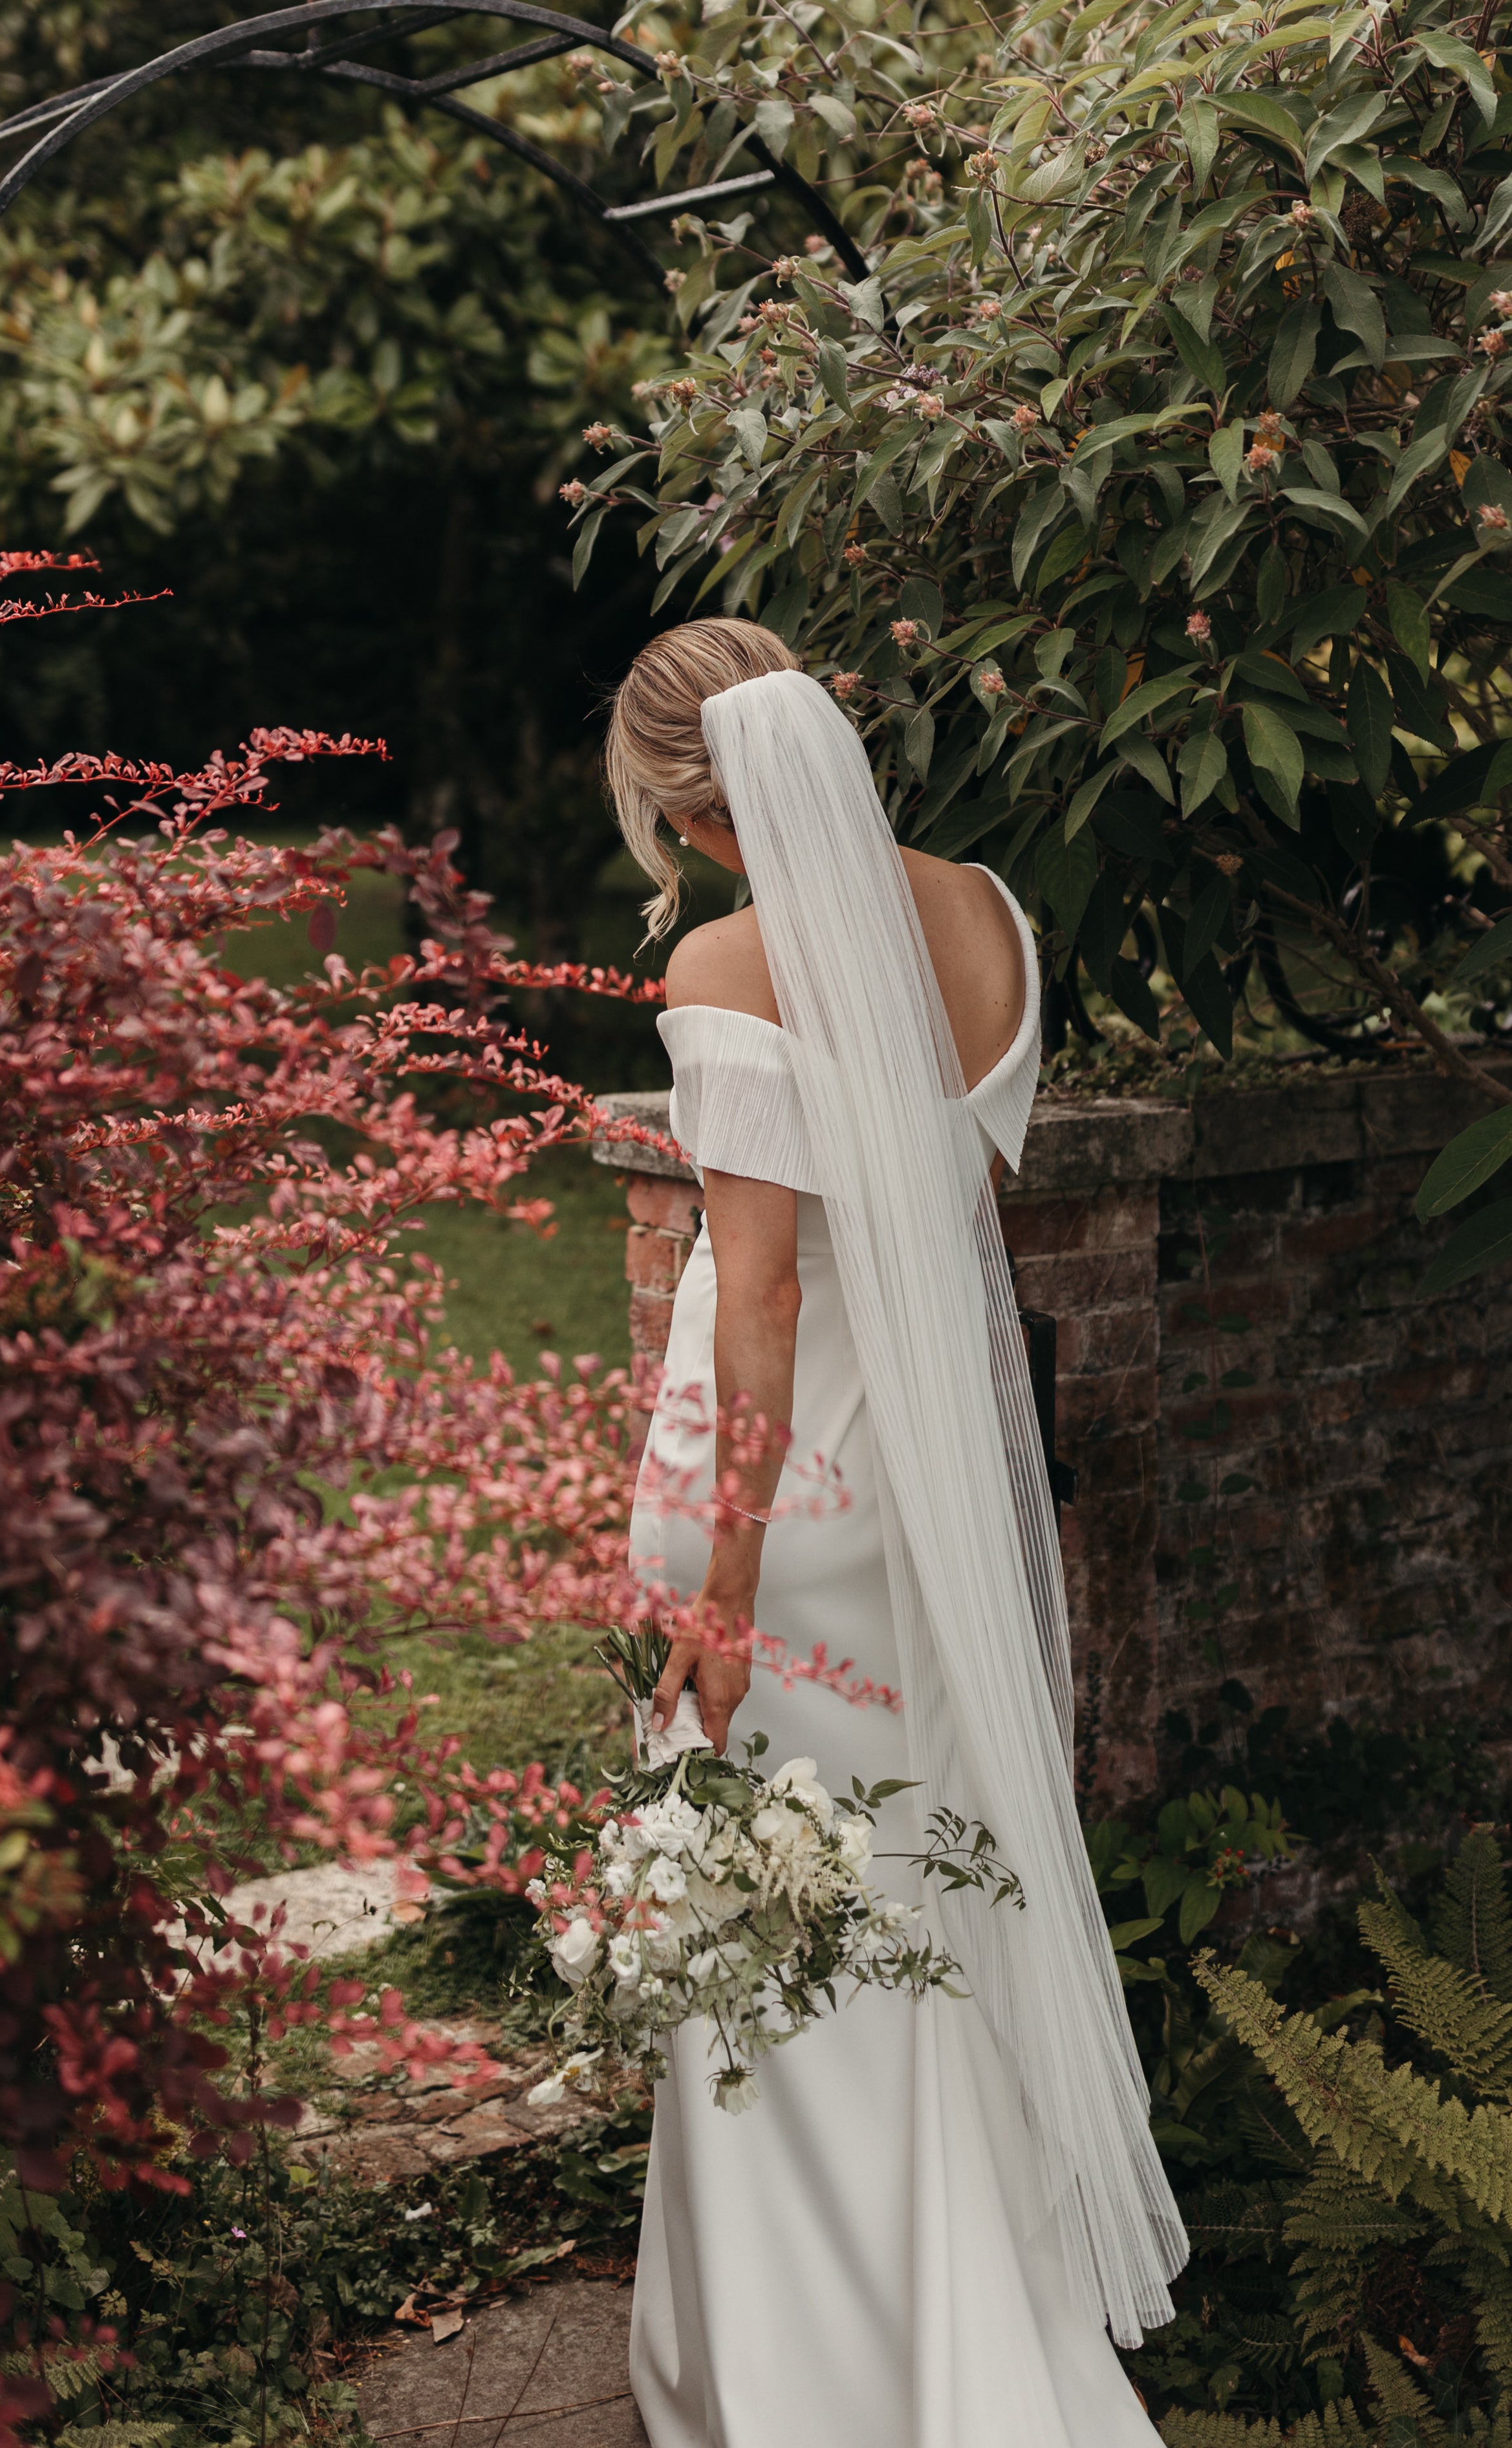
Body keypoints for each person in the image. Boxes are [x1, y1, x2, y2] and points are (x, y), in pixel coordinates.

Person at [603, 620, 1185, 2448]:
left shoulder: (726, 954)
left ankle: (805, 2373)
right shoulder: (989, 919)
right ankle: (958, 2320)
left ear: (687, 805)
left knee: (773, 1911)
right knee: (923, 1890)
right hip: (924, 1487)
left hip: (786, 1504)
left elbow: (762, 1290)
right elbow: (951, 1215)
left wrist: (724, 1581)